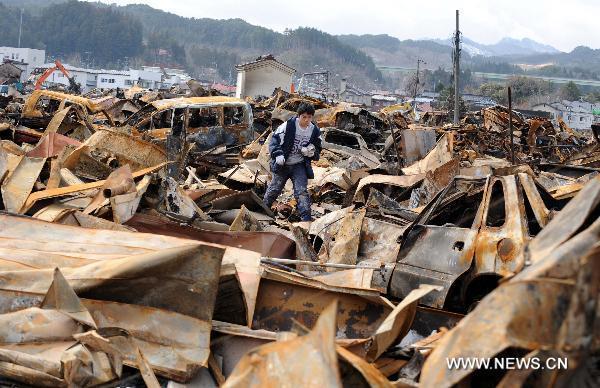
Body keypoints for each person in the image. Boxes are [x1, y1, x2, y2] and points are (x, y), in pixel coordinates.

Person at [263, 102, 321, 221]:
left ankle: (306, 219)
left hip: (299, 165)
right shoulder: (288, 126)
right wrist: (278, 154)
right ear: (299, 116)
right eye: (304, 117)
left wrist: (312, 152)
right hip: (283, 164)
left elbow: (318, 147)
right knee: (274, 188)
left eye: (309, 117)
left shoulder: (314, 130)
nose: (306, 120)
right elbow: (274, 141)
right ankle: (263, 211)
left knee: (301, 191)